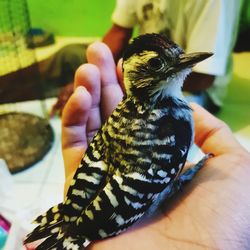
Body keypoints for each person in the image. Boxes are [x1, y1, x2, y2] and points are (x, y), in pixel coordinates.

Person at [61, 41, 250, 249]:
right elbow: (156, 188)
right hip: (114, 207)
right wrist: (185, 177)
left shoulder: (123, 111)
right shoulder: (176, 123)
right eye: (156, 64)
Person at [103, 0, 243, 113]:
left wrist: (136, 87)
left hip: (194, 88)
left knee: (156, 125)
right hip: (148, 75)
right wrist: (100, 74)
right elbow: (119, 32)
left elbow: (203, 78)